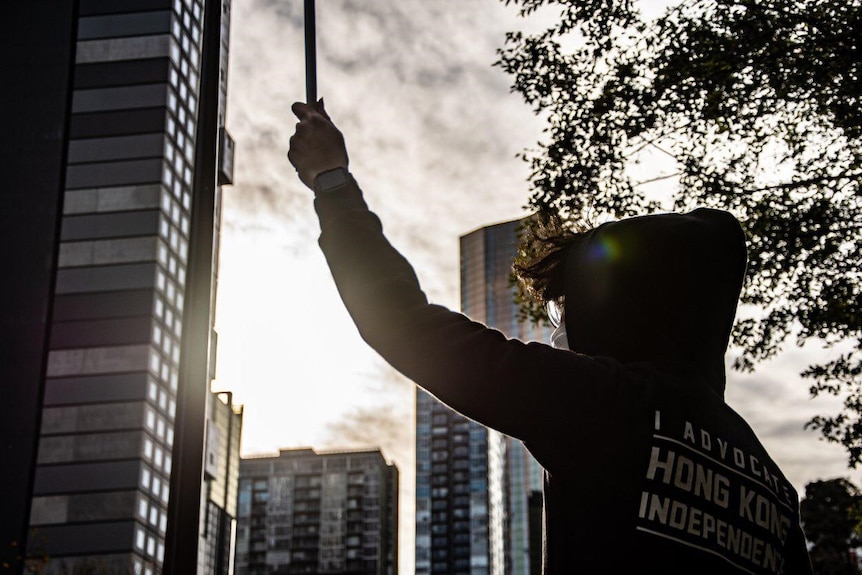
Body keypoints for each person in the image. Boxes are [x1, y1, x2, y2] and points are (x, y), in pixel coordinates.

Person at [287, 99, 813, 574]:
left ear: (620, 312)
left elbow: (403, 322)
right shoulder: (772, 487)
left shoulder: (609, 403)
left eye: (569, 312)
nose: (561, 335)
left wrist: (333, 182)